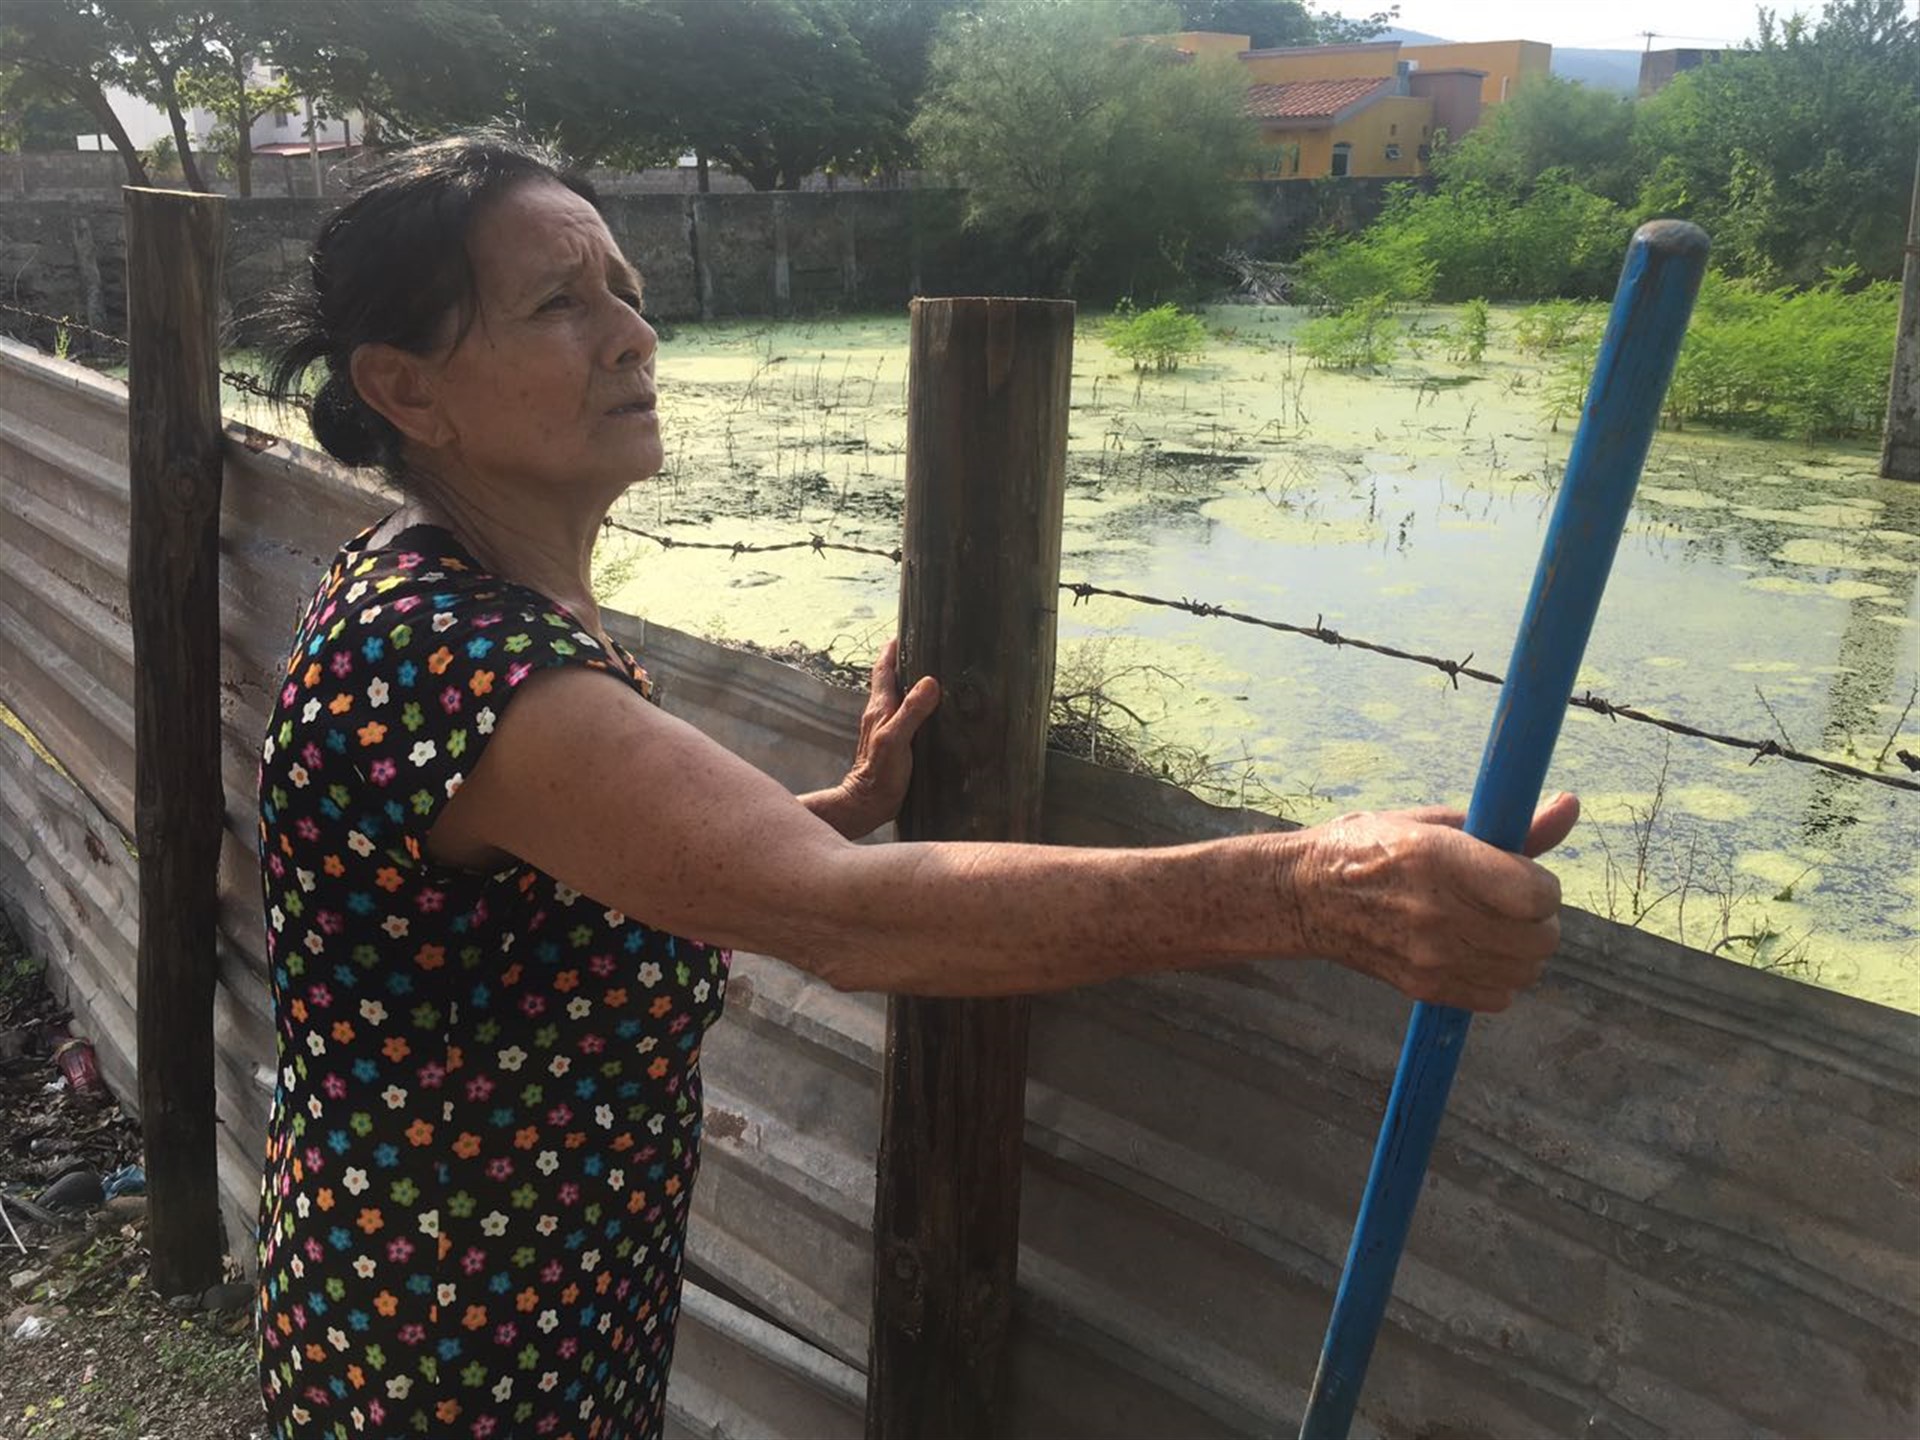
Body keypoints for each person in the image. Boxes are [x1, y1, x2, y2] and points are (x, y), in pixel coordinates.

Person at [253, 133, 1577, 1440]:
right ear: (407, 391)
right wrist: (1309, 886)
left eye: (628, 294)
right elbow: (843, 919)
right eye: (560, 303)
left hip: (514, 1283)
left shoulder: (446, 587)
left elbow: (566, 897)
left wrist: (833, 810)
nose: (633, 336)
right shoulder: (448, 656)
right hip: (451, 1334)